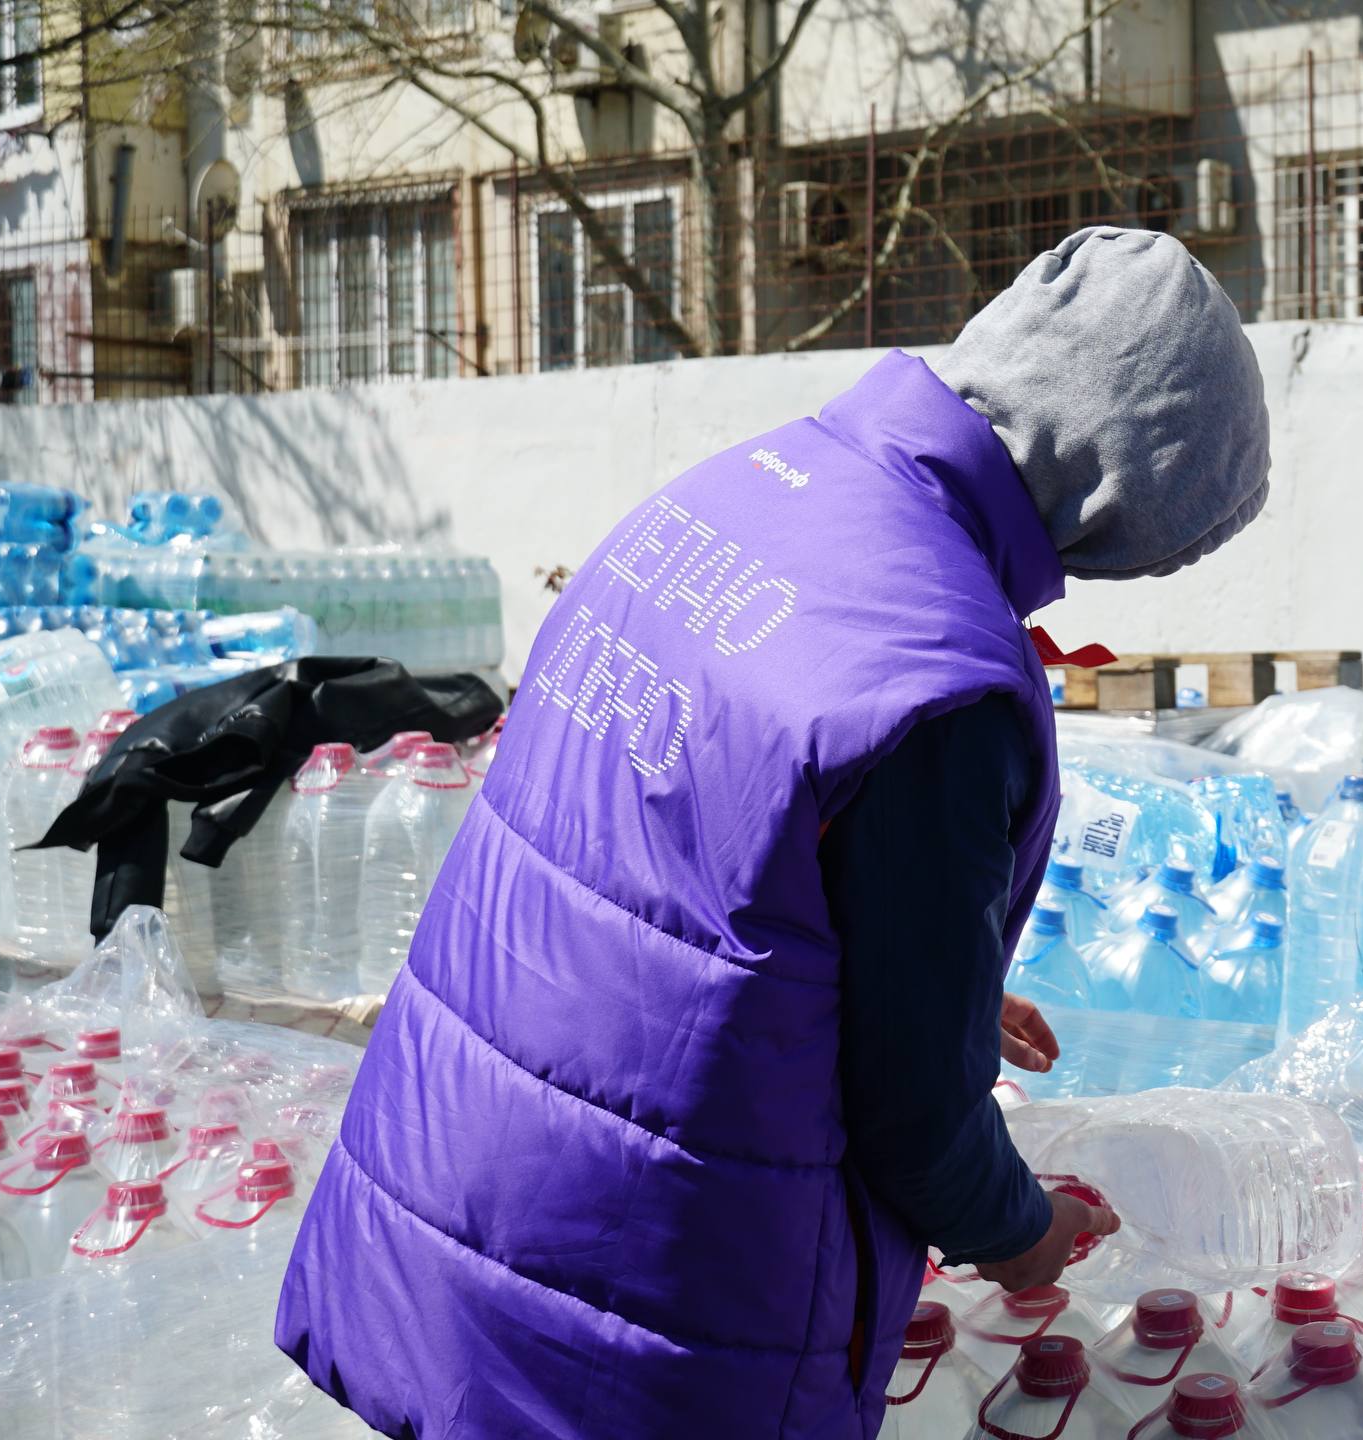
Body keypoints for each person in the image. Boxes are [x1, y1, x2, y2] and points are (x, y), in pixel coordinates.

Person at [274, 226, 1272, 1438]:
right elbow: (915, 1119)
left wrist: (910, 973)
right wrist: (1018, 1231)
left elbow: (673, 854)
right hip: (641, 1289)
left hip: (457, 1183)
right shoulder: (938, 677)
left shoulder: (737, 492)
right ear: (1124, 488)